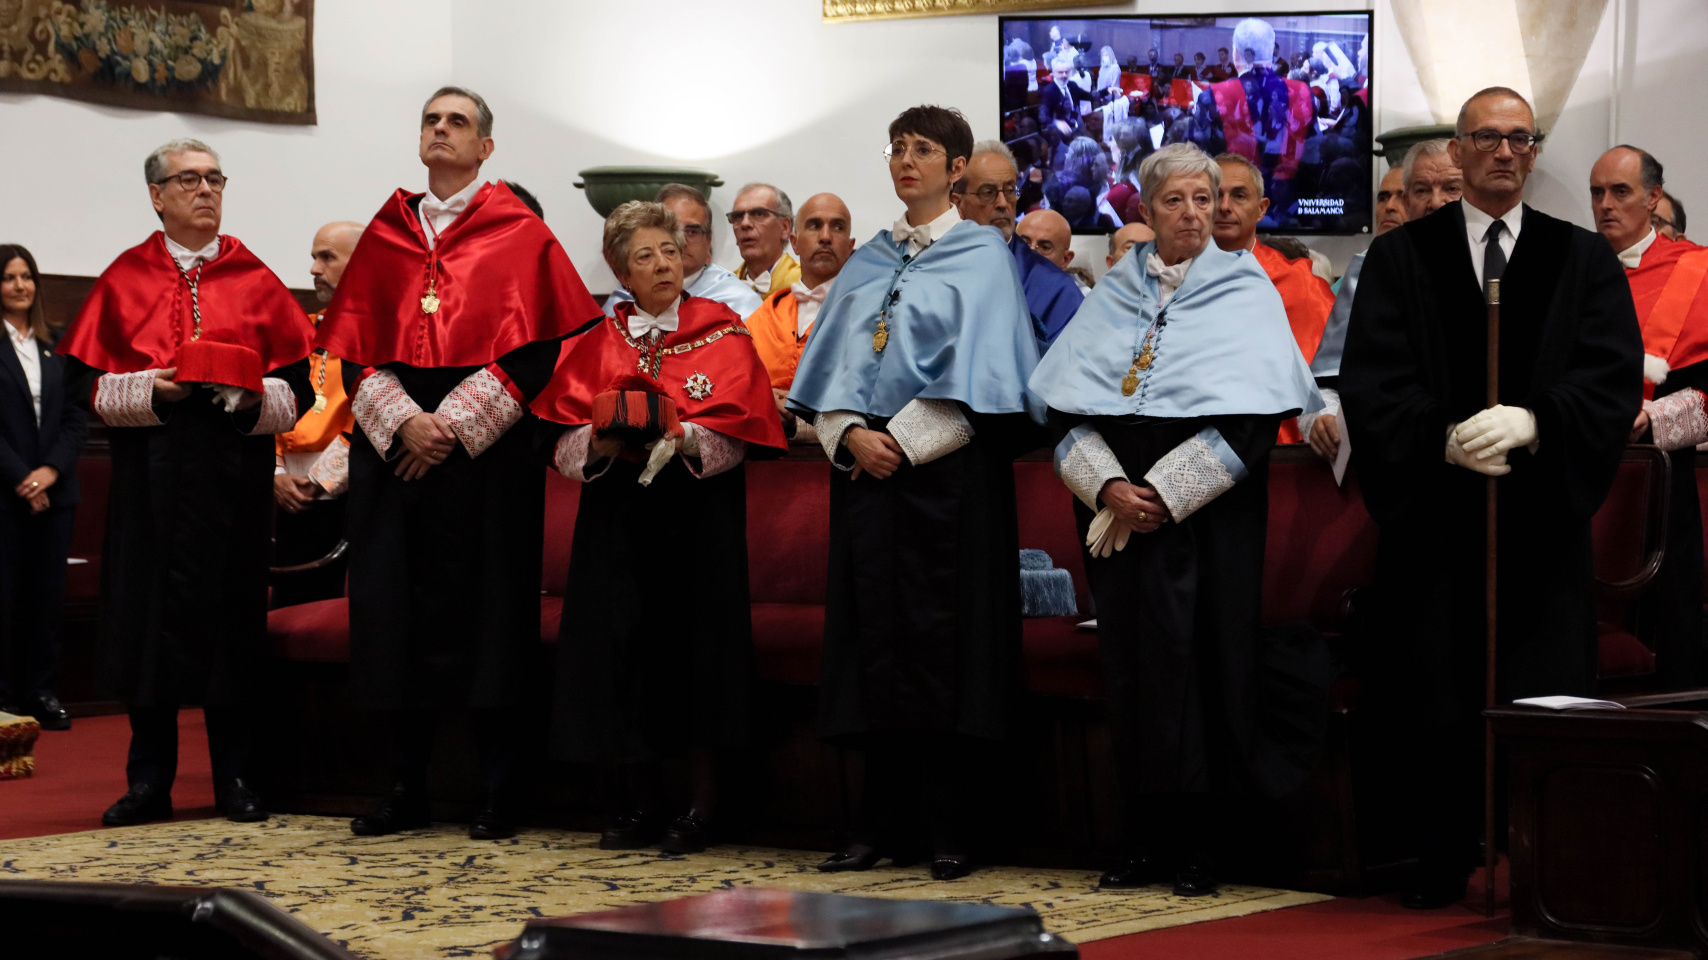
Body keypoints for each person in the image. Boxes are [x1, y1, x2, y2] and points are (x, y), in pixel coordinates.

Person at [1340, 87, 1642, 909]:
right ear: (1461, 152)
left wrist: (1537, 422)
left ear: (1534, 153)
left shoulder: (1583, 259)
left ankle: (1546, 866)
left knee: (1541, 688)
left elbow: (1610, 379)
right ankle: (1437, 860)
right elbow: (1371, 380)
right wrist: (1439, 434)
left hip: (1540, 526)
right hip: (1434, 527)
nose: (1505, 151)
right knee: (1432, 691)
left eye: (1520, 138)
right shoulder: (1401, 259)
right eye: (1487, 137)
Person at [1030, 142, 1320, 898]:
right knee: (1133, 678)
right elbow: (1061, 409)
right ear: (1146, 209)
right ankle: (1143, 840)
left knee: (1210, 673)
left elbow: (1256, 423)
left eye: (1208, 198)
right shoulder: (1115, 291)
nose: (1196, 213)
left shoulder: (1246, 288)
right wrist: (1109, 489)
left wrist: (1163, 493)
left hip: (1207, 522)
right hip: (1120, 522)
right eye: (1177, 201)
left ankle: (1207, 848)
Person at [315, 86, 604, 841]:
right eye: (431, 121)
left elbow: (538, 349)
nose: (442, 131)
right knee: (395, 618)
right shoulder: (385, 232)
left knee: (490, 619)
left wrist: (450, 426)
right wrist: (405, 423)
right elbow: (352, 346)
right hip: (395, 455)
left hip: (483, 462)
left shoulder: (519, 231)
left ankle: (500, 791)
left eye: (459, 123)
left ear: (486, 147)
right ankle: (403, 786)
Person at [786, 105, 1043, 882]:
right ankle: (874, 824)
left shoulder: (982, 256)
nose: (906, 161)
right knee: (872, 646)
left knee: (948, 649)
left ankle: (950, 826)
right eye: (897, 148)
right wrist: (849, 437)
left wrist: (908, 440)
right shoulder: (866, 260)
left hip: (949, 487)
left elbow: (996, 384)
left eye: (924, 149)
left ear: (957, 168)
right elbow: (828, 374)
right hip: (867, 481)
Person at [59, 139, 315, 826]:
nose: (205, 190)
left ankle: (236, 777)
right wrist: (157, 391)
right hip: (151, 483)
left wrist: (245, 394)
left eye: (214, 178)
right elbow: (82, 383)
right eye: (189, 179)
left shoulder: (256, 279)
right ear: (157, 196)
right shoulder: (124, 278)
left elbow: (298, 387)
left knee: (231, 629)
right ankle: (149, 783)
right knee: (147, 627)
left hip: (232, 481)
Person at [535, 200, 786, 855]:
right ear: (621, 268)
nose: (661, 265)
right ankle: (636, 802)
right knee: (622, 655)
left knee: (700, 660)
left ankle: (703, 807)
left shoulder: (725, 333)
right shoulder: (599, 338)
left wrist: (681, 435)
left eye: (669, 252)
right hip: (619, 522)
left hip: (696, 523)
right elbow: (562, 435)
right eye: (643, 256)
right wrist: (600, 443)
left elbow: (743, 428)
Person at [1593, 145, 1708, 688]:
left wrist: (1649, 418)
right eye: (1597, 193)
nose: (1605, 205)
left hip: (1660, 482)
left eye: (1621, 192)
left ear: (1653, 197)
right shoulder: (1573, 270)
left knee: (1665, 632)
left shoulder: (1698, 272)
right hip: (1578, 472)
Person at [0, 244, 86, 731]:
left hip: (56, 493)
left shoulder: (56, 345)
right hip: (6, 493)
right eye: (8, 278)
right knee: (6, 597)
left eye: (26, 277)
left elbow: (75, 417)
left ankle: (42, 691)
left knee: (46, 597)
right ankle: (5, 696)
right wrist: (22, 478)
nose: (19, 286)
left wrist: (50, 471)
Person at [1212, 152, 1335, 443]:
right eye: (1214, 196)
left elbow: (1322, 377)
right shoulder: (1173, 277)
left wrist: (1322, 417)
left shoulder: (1298, 282)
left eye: (1239, 196)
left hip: (1279, 449)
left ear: (1261, 208)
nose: (1225, 207)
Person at [271, 221, 362, 608]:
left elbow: (369, 419)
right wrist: (275, 475)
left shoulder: (382, 334)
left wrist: (316, 483)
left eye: (327, 257)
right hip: (280, 494)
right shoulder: (301, 330)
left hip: (344, 496)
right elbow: (273, 402)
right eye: (313, 257)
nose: (313, 269)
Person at [1305, 165, 1407, 462]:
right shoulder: (1357, 274)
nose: (1390, 206)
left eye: (1402, 196)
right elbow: (1326, 376)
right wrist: (1320, 416)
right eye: (1383, 196)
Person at [951, 141, 1083, 351]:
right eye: (988, 192)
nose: (1003, 203)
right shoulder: (935, 266)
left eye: (1010, 190)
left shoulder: (1057, 289)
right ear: (958, 203)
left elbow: (1066, 371)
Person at [746, 192, 856, 436]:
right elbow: (736, 380)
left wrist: (800, 414)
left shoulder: (868, 313)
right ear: (794, 242)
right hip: (764, 459)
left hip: (841, 461)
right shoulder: (766, 311)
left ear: (850, 247)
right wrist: (763, 397)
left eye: (837, 227)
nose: (825, 237)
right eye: (814, 226)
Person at [1190, 19, 1314, 218]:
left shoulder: (1212, 95)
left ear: (1236, 53)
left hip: (1226, 212)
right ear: (1272, 50)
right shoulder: (1303, 92)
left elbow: (1196, 156)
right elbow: (1314, 149)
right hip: (1293, 209)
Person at [606, 184, 762, 320]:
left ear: (708, 241)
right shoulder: (625, 297)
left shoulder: (739, 301)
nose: (680, 240)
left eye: (692, 231)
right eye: (671, 231)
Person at [730, 183, 800, 298]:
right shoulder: (724, 286)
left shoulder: (804, 283)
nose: (745, 223)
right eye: (738, 216)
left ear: (785, 227)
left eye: (758, 214)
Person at [1040, 54, 1090, 146]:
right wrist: (1057, 123)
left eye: (1066, 72)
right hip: (1060, 134)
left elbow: (1089, 96)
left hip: (1077, 126)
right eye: (1060, 72)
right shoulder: (1049, 90)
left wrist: (1107, 90)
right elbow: (1042, 116)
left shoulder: (1072, 85)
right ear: (1054, 72)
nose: (1064, 75)